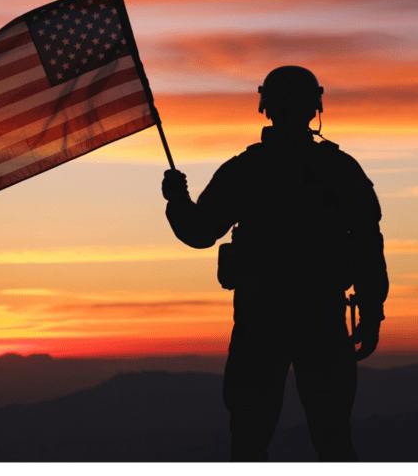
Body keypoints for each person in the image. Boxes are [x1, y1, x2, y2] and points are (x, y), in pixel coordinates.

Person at [161, 66, 389, 461]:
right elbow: (369, 245)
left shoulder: (247, 169)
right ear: (314, 107)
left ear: (265, 106)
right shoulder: (338, 168)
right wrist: (371, 313)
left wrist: (177, 201)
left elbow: (199, 232)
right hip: (320, 318)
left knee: (250, 438)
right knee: (332, 435)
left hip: (260, 320)